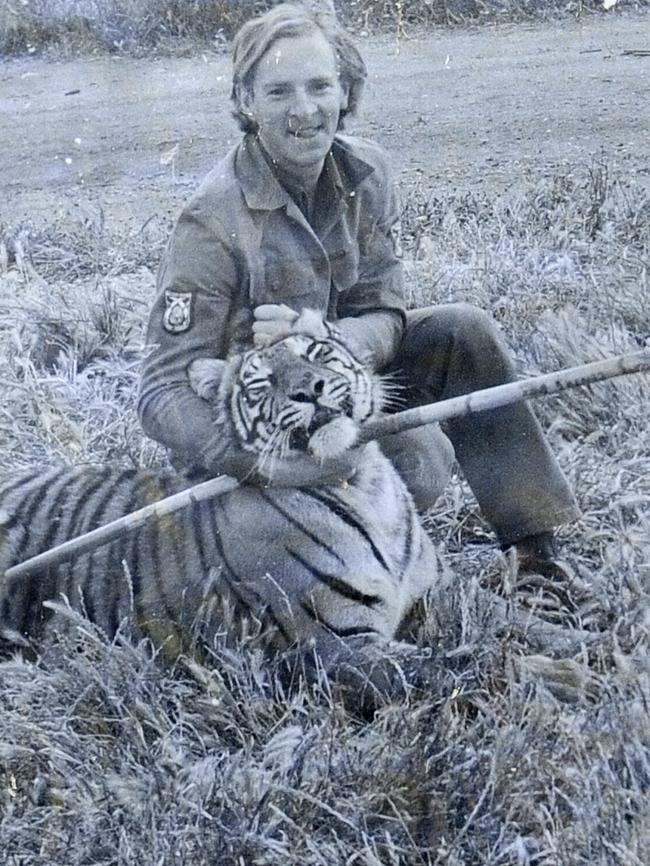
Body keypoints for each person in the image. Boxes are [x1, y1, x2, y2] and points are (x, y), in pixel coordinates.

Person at [138, 2, 581, 582]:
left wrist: (327, 337)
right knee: (419, 464)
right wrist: (259, 465)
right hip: (265, 427)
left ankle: (535, 552)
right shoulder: (210, 220)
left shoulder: (367, 172)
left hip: (340, 380)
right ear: (245, 102)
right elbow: (161, 390)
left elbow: (385, 311)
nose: (304, 109)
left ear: (346, 91)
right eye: (278, 92)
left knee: (463, 332)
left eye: (320, 86)